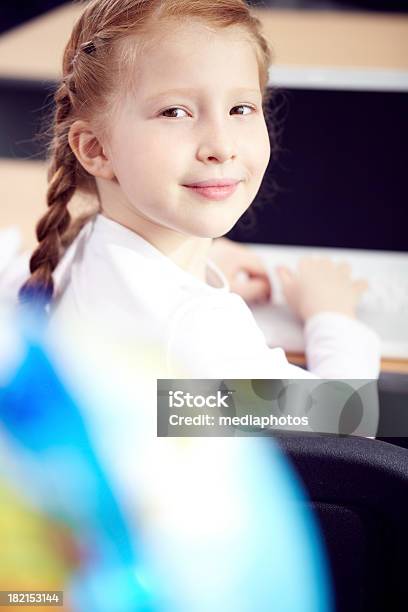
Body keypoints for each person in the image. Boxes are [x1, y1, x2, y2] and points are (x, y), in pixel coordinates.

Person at [18, 0, 380, 379]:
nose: (222, 147)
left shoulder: (78, 244)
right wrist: (331, 314)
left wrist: (201, 258)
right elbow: (346, 417)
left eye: (240, 109)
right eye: (175, 112)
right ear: (96, 149)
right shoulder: (197, 327)